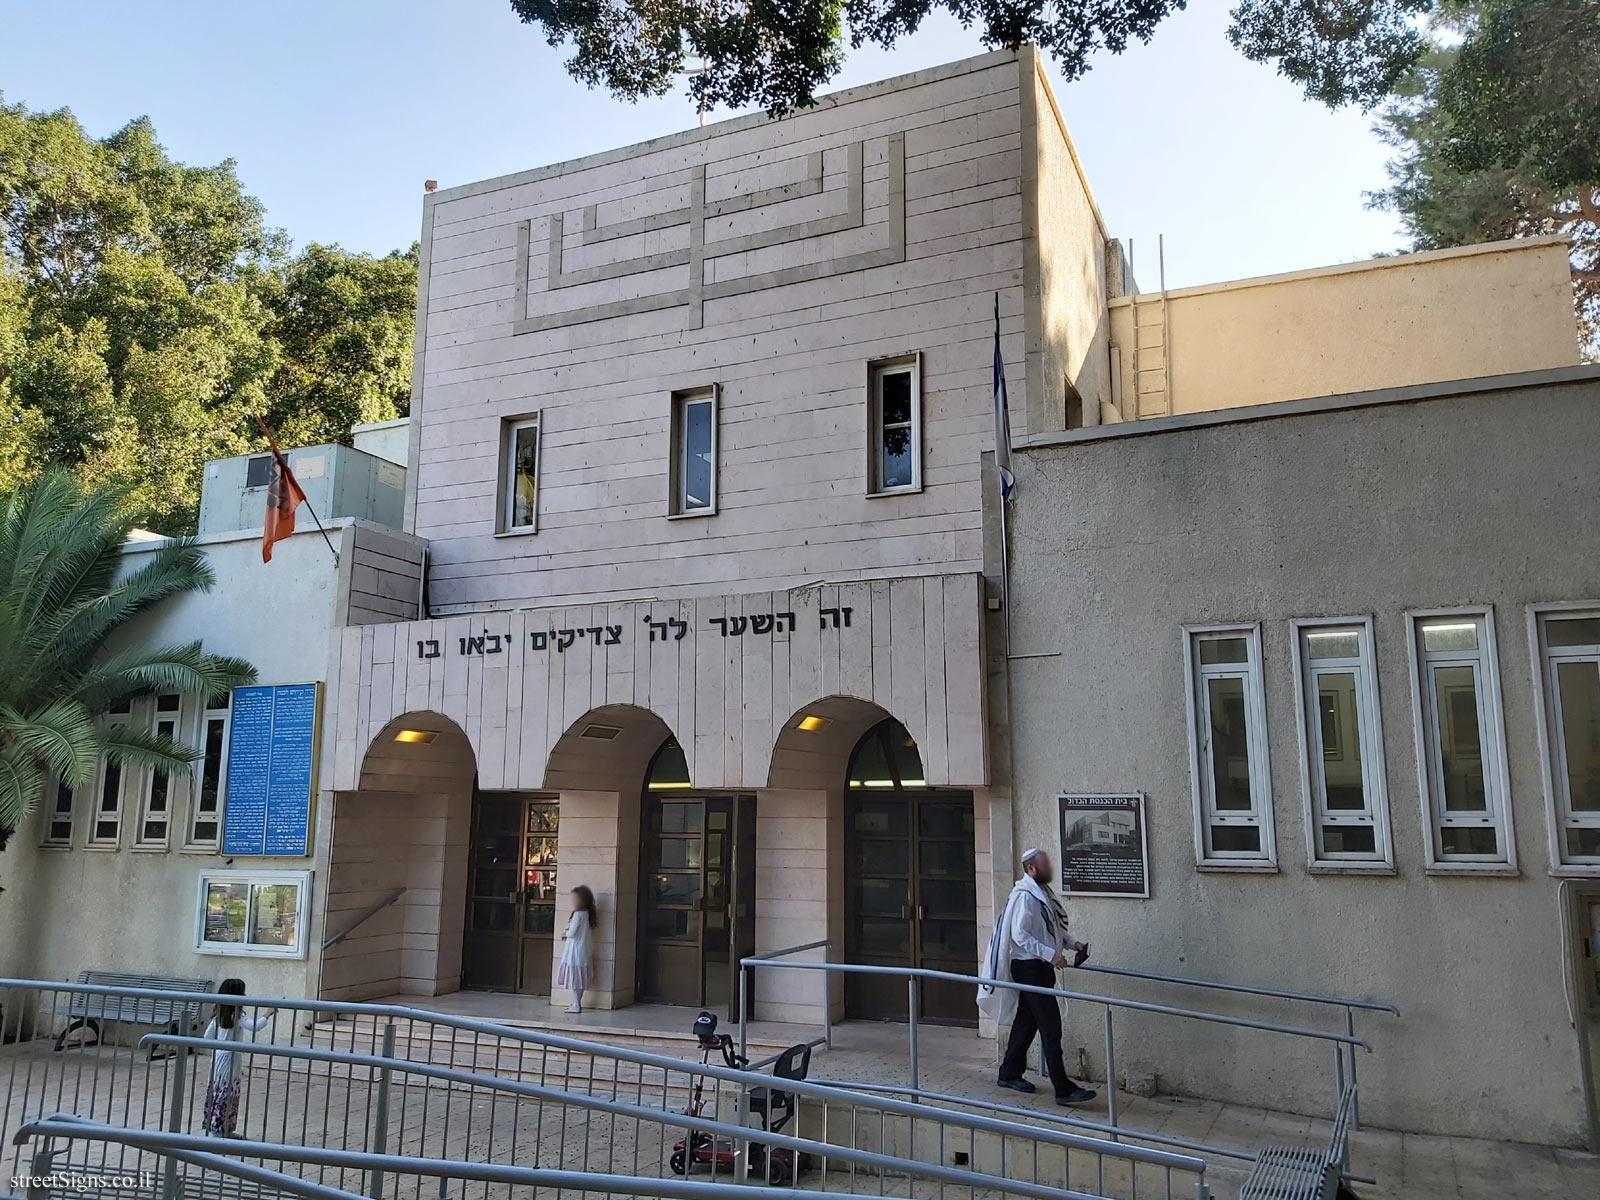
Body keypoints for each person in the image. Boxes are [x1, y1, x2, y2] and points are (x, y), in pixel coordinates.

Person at [978, 848, 1096, 1105]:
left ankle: (1009, 1073)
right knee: (1051, 1026)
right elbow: (1020, 935)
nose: (1050, 868)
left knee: (1027, 1023)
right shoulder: (1024, 897)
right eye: (1045, 864)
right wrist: (1050, 955)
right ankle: (1062, 1088)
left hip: (1038, 968)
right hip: (1029, 968)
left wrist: (1074, 944)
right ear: (1031, 868)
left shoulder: (1042, 894)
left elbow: (1051, 931)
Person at [201, 978, 276, 1137]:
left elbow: (207, 1037)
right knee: (227, 1094)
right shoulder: (237, 1015)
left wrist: (220, 1044)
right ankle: (220, 1132)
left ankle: (220, 1129)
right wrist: (268, 1014)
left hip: (217, 1059)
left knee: (217, 1092)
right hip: (230, 1060)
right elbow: (255, 1026)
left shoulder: (219, 1015)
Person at [557, 885, 596, 1014]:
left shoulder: (578, 914)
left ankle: (576, 1005)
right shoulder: (587, 914)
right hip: (583, 949)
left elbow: (572, 932)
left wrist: (565, 934)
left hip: (574, 950)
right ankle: (576, 1002)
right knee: (580, 978)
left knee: (574, 978)